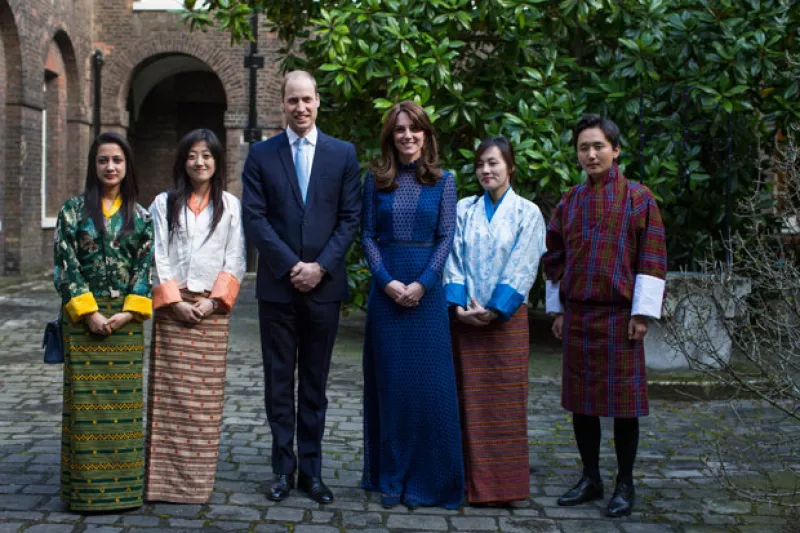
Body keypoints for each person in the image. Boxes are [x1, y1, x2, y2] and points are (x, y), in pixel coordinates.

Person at [242, 71, 361, 504]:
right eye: (293, 101)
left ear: (318, 102)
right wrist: (293, 265)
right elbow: (255, 218)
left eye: (307, 99)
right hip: (278, 290)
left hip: (324, 290)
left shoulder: (342, 154)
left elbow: (350, 218)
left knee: (314, 384)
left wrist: (321, 267)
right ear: (283, 104)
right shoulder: (261, 154)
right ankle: (282, 471)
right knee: (278, 383)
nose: (300, 108)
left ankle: (312, 472)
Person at [542, 114, 667, 517]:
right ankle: (590, 477)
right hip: (579, 315)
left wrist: (642, 313)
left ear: (615, 150)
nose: (591, 154)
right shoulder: (569, 201)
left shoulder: (638, 198)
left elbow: (651, 256)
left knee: (624, 407)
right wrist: (557, 308)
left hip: (619, 317)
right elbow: (554, 256)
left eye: (598, 146)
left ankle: (624, 483)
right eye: (583, 147)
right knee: (582, 404)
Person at [361, 100, 464, 509]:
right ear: (391, 136)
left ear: (426, 134)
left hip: (427, 297)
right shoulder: (376, 180)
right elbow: (367, 235)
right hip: (386, 298)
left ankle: (431, 480)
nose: (407, 136)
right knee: (393, 390)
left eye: (415, 129)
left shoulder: (445, 181)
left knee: (430, 392)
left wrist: (422, 284)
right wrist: (387, 283)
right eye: (400, 130)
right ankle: (391, 477)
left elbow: (446, 236)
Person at [144, 129, 246, 503]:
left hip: (211, 315)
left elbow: (235, 258)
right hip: (174, 313)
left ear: (217, 161)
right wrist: (174, 302)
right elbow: (157, 254)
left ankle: (196, 486)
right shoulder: (163, 203)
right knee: (169, 401)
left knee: (203, 406)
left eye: (206, 155)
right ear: (182, 161)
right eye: (191, 155)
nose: (199, 162)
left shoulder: (231, 206)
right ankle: (162, 485)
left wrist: (212, 303)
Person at [443, 136, 546, 506]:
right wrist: (457, 308)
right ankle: (469, 483)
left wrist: (497, 308)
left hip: (506, 323)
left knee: (505, 404)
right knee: (466, 402)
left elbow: (524, 265)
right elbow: (452, 259)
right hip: (466, 322)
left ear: (510, 167)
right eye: (481, 164)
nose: (486, 170)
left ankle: (503, 488)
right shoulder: (463, 209)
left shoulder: (527, 213)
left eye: (494, 163)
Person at [54, 132, 153, 512]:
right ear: (93, 166)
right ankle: (85, 492)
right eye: (102, 161)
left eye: (117, 160)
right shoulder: (72, 212)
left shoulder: (141, 217)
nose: (110, 167)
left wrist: (128, 312)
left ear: (127, 166)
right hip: (83, 323)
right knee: (84, 410)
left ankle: (124, 491)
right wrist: (89, 312)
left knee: (123, 413)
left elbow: (146, 267)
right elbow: (65, 265)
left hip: (126, 325)